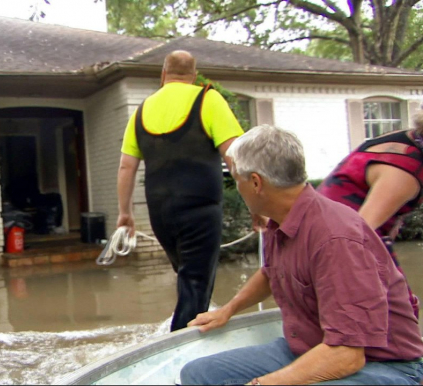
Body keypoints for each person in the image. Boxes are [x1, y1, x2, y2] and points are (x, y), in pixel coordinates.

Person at [179, 124, 423, 385]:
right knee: (198, 374)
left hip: (383, 364)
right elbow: (272, 272)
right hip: (309, 346)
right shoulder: (283, 219)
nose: (237, 187)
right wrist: (228, 310)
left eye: (236, 179)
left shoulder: (336, 238)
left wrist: (265, 383)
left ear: (255, 182)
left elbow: (347, 355)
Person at [116, 50, 244, 332]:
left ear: (163, 75)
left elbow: (127, 167)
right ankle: (180, 355)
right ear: (194, 76)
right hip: (200, 210)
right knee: (195, 284)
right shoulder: (207, 99)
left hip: (160, 215)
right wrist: (256, 203)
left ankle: (193, 331)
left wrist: (125, 213)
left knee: (188, 279)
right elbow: (236, 156)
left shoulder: (142, 109)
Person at [317, 108, 423, 318]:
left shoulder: (404, 141)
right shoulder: (406, 171)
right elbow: (356, 233)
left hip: (321, 226)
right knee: (403, 312)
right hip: (336, 240)